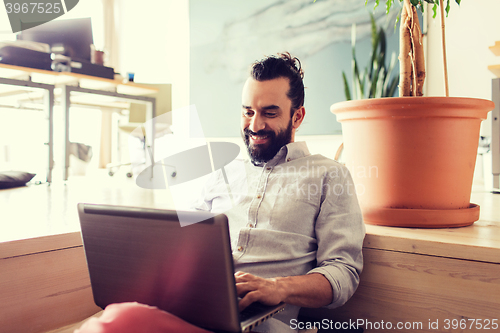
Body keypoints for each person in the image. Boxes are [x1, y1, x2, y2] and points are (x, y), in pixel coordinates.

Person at [76, 52, 365, 333]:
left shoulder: (329, 174)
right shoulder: (222, 172)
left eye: (269, 113)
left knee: (119, 321)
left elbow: (343, 273)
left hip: (258, 324)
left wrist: (278, 287)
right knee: (117, 313)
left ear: (297, 117)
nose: (254, 125)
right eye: (248, 112)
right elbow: (182, 246)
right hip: (191, 308)